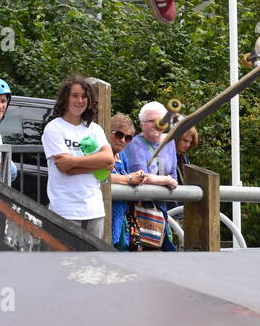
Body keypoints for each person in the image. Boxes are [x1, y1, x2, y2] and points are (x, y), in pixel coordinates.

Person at [41, 75, 113, 238]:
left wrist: (73, 161)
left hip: (94, 210)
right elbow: (65, 169)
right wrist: (98, 164)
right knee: (64, 262)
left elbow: (109, 160)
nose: (80, 100)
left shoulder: (94, 129)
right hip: (65, 210)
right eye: (75, 95)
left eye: (84, 96)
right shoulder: (54, 128)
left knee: (92, 262)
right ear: (65, 98)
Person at [118, 102, 181, 250]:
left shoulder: (170, 142)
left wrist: (168, 180)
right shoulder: (135, 144)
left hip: (161, 210)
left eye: (160, 121)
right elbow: (141, 177)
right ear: (141, 125)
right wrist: (166, 180)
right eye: (150, 121)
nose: (156, 125)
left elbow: (174, 178)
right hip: (138, 211)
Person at [108, 113, 148, 251]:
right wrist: (130, 179)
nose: (123, 140)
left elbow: (124, 177)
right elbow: (101, 177)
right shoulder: (100, 152)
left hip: (122, 219)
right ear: (108, 132)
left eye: (128, 138)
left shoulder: (123, 157)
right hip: (105, 216)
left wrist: (138, 178)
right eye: (119, 135)